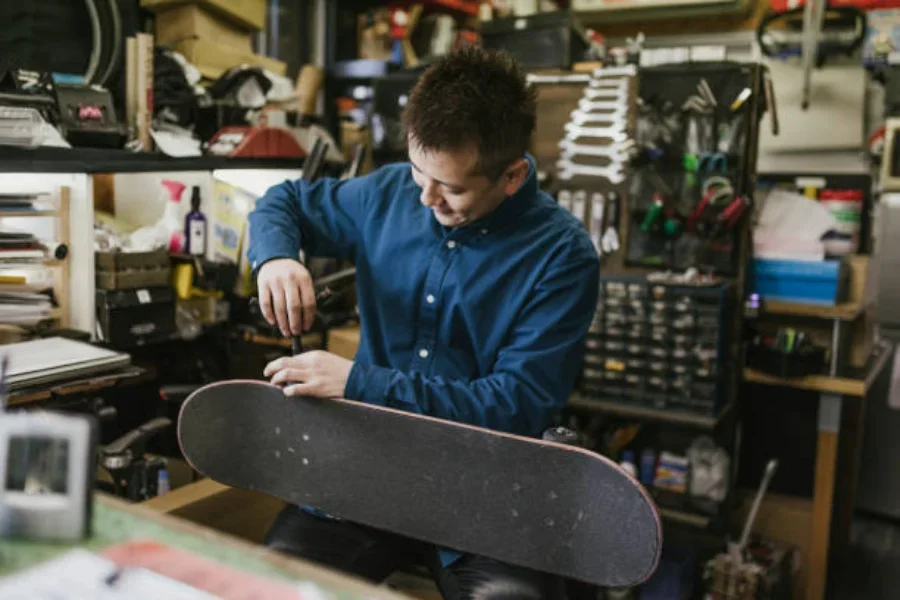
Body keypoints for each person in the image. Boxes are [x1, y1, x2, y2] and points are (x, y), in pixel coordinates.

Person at [247, 47, 600, 600]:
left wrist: (360, 384)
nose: (425, 197)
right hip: (368, 471)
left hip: (487, 490)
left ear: (511, 175)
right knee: (271, 587)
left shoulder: (562, 256)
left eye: (451, 188)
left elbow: (514, 405)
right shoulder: (390, 193)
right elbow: (283, 202)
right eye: (418, 172)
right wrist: (276, 258)